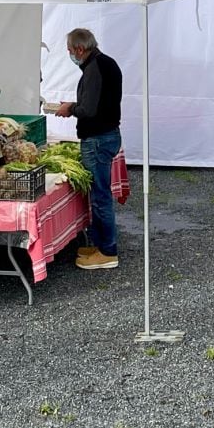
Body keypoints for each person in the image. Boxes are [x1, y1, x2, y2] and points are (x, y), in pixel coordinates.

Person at [54, 28, 123, 270]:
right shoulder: (105, 63)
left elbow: (89, 109)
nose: (71, 55)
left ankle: (107, 252)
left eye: (71, 51)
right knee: (98, 195)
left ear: (80, 49)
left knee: (100, 197)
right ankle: (101, 244)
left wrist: (70, 108)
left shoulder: (95, 68)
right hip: (105, 135)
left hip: (98, 138)